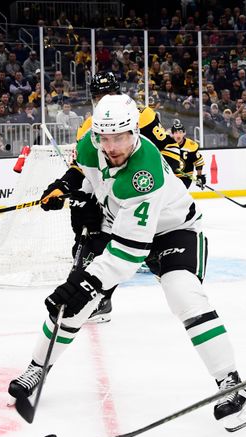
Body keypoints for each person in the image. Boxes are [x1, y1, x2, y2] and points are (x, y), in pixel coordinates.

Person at [8, 94, 246, 433]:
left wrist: (87, 282)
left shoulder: (144, 171)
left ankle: (231, 384)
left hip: (172, 230)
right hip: (120, 225)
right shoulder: (89, 146)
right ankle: (38, 367)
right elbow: (85, 173)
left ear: (134, 134)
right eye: (105, 138)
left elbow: (130, 252)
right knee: (74, 306)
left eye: (120, 137)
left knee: (182, 292)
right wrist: (66, 187)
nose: (112, 146)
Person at [40, 71, 182, 323]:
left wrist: (162, 185)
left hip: (145, 193)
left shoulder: (142, 115)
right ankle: (99, 300)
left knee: (159, 256)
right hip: (112, 200)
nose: (104, 99)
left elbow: (170, 150)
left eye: (109, 93)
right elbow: (82, 169)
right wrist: (62, 186)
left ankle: (180, 286)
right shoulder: (89, 127)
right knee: (95, 244)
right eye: (98, 96)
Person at [168, 119, 206, 190]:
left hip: (185, 177)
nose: (178, 135)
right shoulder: (166, 144)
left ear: (184, 133)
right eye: (176, 132)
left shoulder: (191, 146)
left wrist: (199, 176)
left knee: (178, 194)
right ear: (172, 134)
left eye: (180, 132)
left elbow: (198, 162)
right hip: (170, 176)